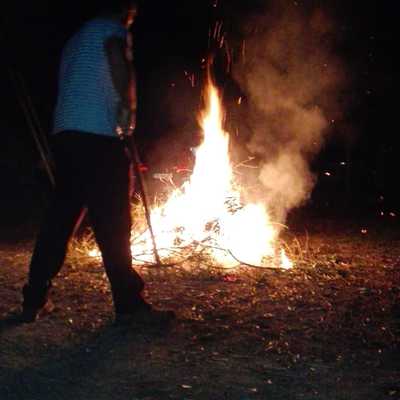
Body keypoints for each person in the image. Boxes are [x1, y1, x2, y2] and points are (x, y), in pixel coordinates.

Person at [20, 0, 175, 325]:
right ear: (125, 10)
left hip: (67, 135)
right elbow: (118, 59)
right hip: (98, 137)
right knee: (114, 221)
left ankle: (34, 298)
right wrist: (128, 108)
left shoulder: (76, 39)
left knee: (60, 220)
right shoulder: (111, 29)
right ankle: (129, 305)